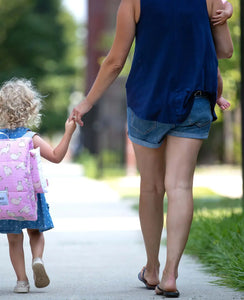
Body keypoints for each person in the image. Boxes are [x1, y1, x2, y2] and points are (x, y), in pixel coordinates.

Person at [70, 0, 233, 298]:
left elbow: (115, 61)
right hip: (196, 99)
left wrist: (86, 102)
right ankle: (171, 274)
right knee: (180, 186)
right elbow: (225, 51)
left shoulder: (134, 1)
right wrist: (222, 17)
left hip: (148, 101)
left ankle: (153, 268)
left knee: (151, 188)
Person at [0, 78, 76, 293]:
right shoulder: (30, 138)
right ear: (30, 108)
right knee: (35, 233)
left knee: (13, 240)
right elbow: (56, 156)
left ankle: (21, 281)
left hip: (6, 199)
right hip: (29, 196)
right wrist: (68, 132)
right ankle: (37, 259)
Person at [213, 0, 233, 110]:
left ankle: (218, 96)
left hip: (211, 44)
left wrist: (227, 13)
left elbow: (227, 4)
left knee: (216, 74)